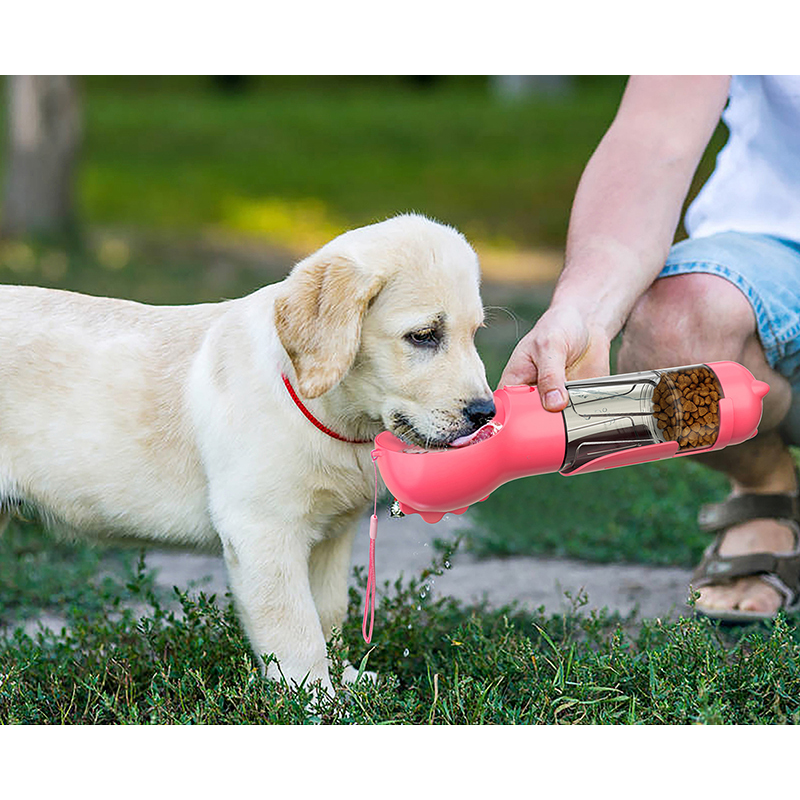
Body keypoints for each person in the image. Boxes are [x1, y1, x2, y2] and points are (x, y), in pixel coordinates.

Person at [499, 75, 800, 621]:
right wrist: (585, 312)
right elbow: (652, 137)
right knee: (678, 331)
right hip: (776, 241)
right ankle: (767, 488)